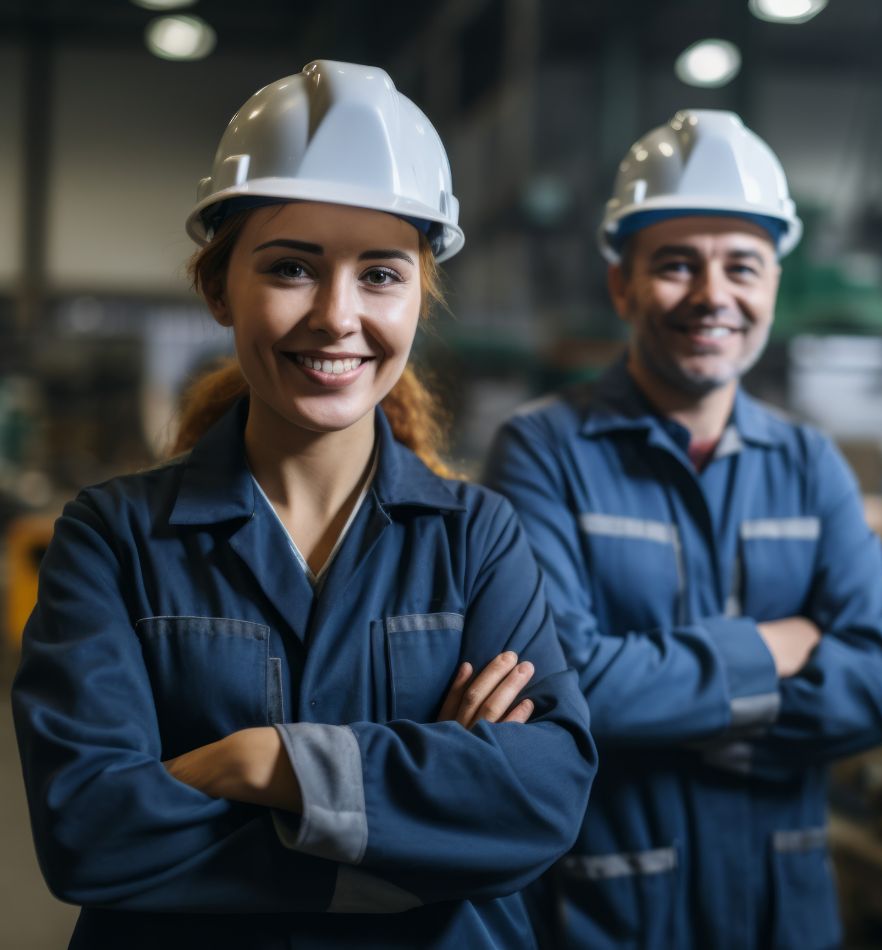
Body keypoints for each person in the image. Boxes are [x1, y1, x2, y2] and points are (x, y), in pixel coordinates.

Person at [12, 60, 596, 950]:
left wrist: (261, 761)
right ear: (218, 289)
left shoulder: (475, 538)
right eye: (291, 267)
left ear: (420, 298)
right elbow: (90, 831)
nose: (336, 315)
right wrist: (416, 828)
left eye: (381, 275)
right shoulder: (114, 538)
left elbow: (543, 798)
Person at [485, 109, 882, 950]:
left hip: (782, 920)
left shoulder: (811, 464)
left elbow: (873, 693)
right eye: (677, 264)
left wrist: (663, 714)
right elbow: (565, 690)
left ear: (772, 285)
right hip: (611, 916)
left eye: (742, 266)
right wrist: (773, 648)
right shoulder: (543, 451)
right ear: (623, 286)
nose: (715, 295)